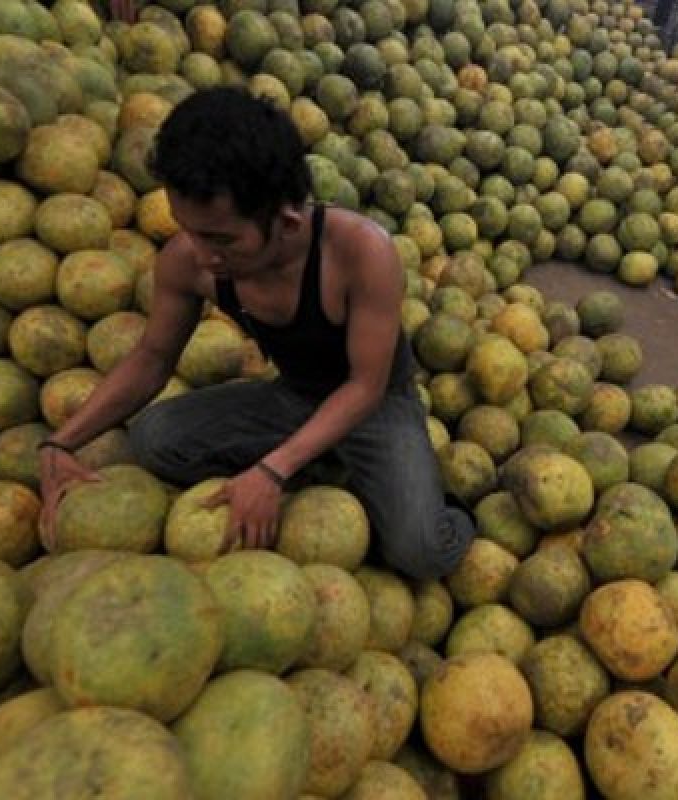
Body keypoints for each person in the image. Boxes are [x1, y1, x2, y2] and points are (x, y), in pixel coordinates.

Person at [37, 87, 476, 580]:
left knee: (421, 552)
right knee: (154, 438)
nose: (201, 254)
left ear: (286, 223)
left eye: (221, 239)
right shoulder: (188, 260)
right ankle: (318, 462)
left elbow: (365, 386)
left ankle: (441, 504)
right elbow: (153, 356)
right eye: (188, 229)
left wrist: (272, 469)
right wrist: (61, 442)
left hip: (373, 406)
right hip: (294, 398)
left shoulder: (361, 252)